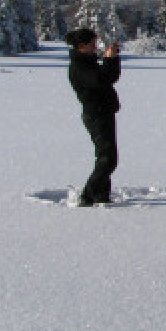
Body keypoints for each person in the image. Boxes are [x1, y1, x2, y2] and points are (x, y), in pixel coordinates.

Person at [66, 27, 121, 207]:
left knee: (106, 156)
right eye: (92, 44)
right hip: (96, 114)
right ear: (82, 46)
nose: (95, 46)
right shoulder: (80, 65)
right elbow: (101, 80)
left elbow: (110, 77)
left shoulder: (87, 61)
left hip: (103, 111)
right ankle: (88, 195)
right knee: (108, 158)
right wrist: (108, 59)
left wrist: (112, 59)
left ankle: (101, 194)